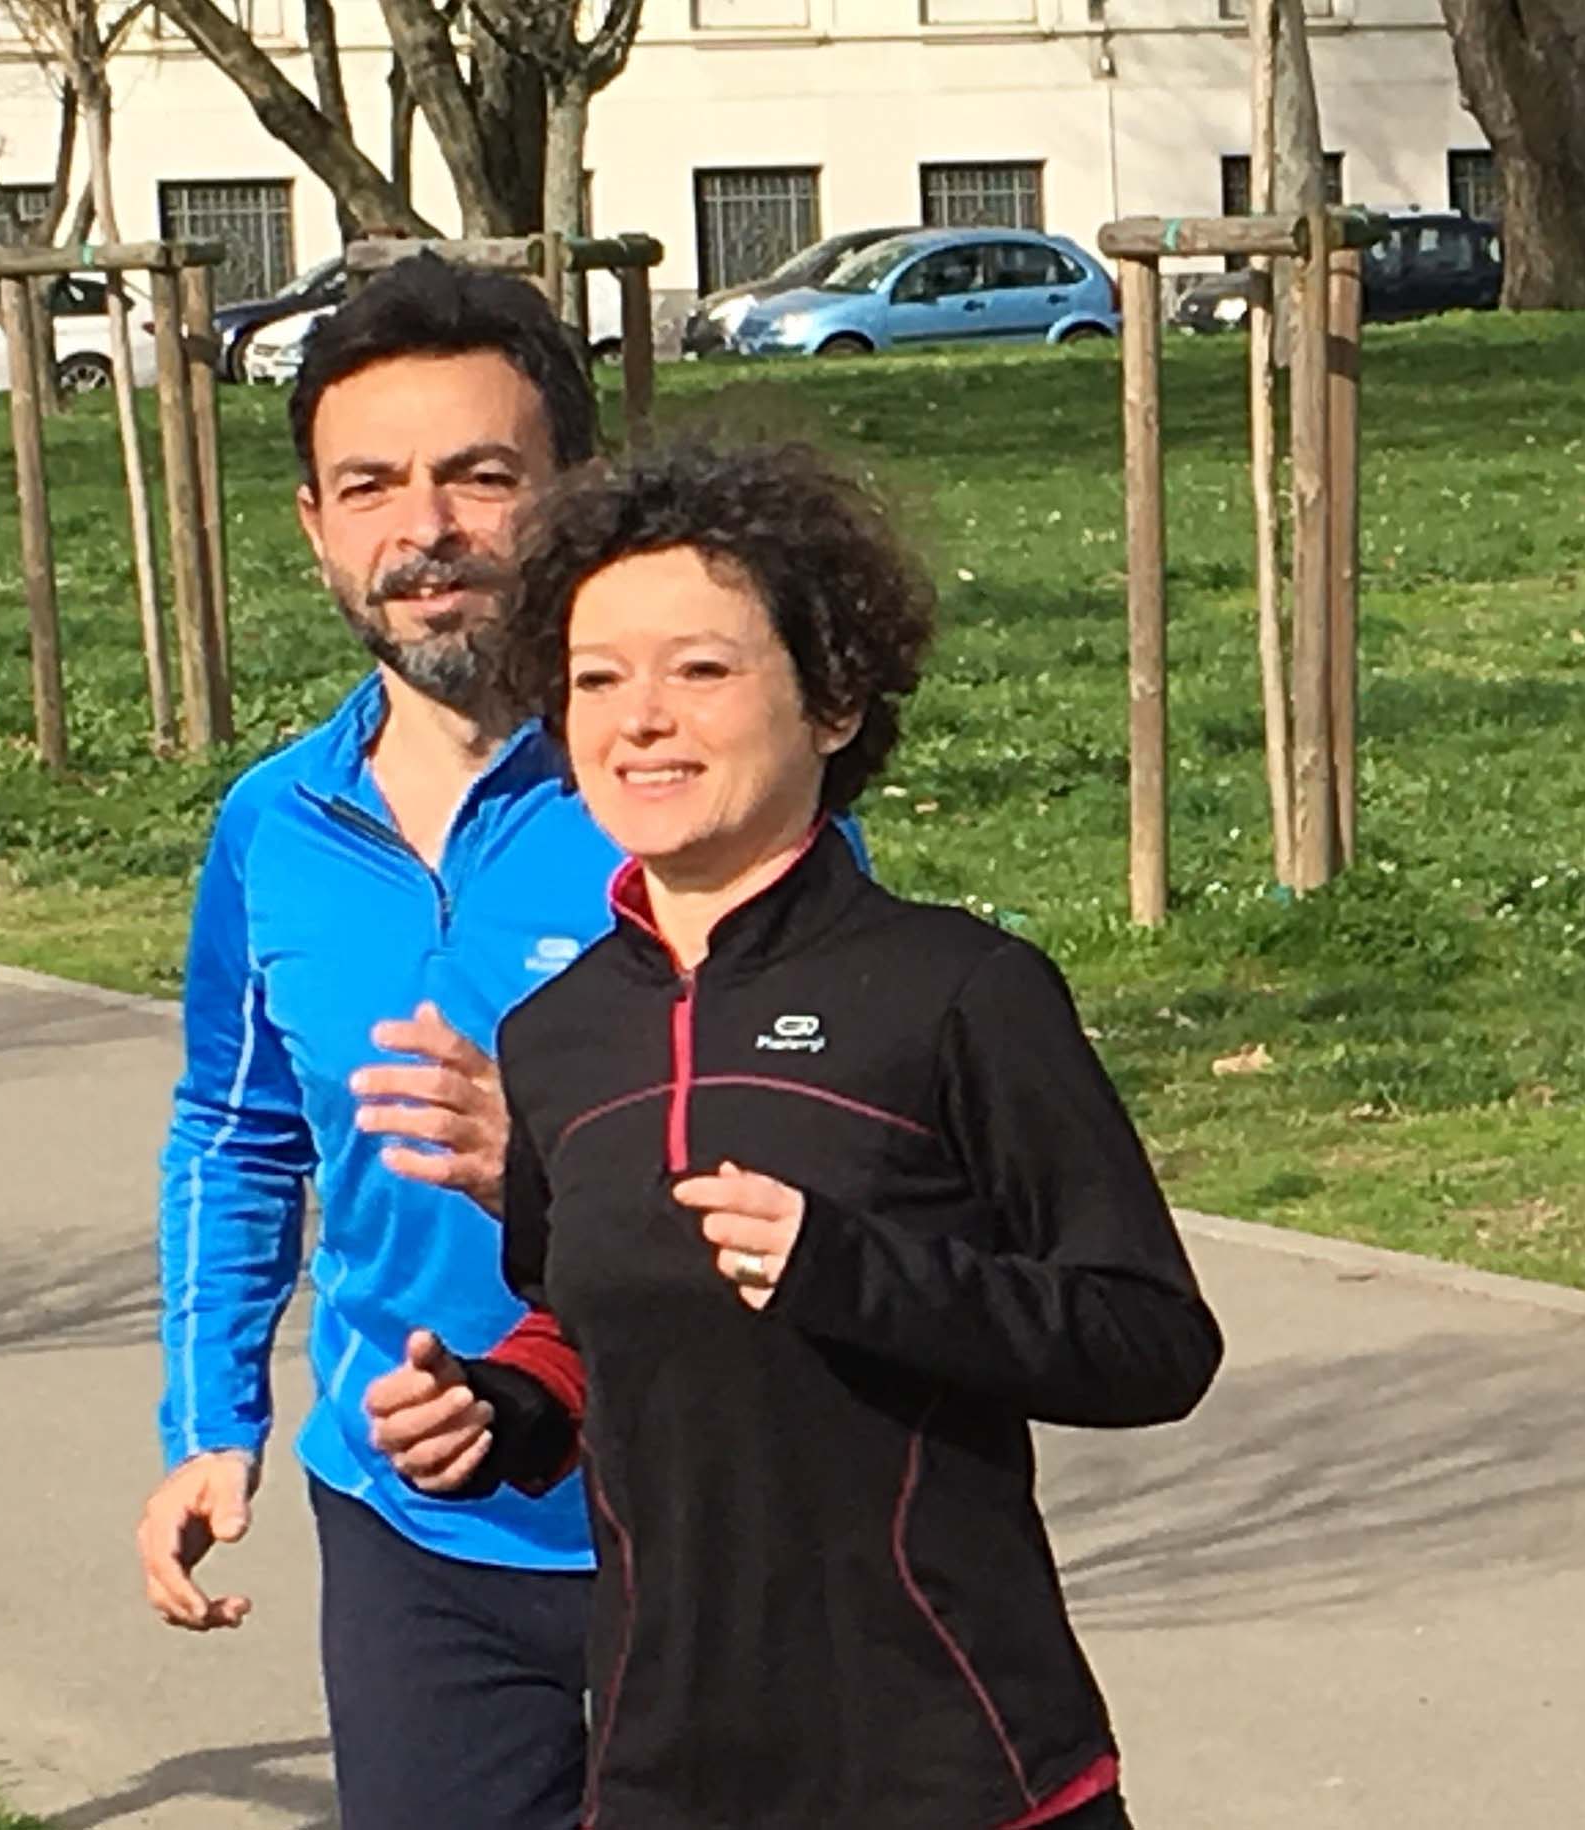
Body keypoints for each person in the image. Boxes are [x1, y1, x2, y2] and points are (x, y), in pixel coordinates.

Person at [364, 441, 1225, 1829]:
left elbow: (1150, 1339)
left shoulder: (961, 992)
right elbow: (580, 1324)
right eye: (595, 679)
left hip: (958, 1768)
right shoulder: (561, 1037)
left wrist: (855, 1271)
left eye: (699, 670)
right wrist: (498, 1406)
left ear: (830, 700)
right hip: (666, 1769)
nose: (639, 718)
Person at [141, 254, 616, 1829]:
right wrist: (214, 1420)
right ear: (316, 527)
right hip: (409, 1531)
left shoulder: (682, 783)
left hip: (689, 1517)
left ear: (573, 495)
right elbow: (235, 1125)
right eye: (371, 486)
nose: (426, 531)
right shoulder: (274, 822)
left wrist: (545, 1156)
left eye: (482, 477)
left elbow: (841, 1120)